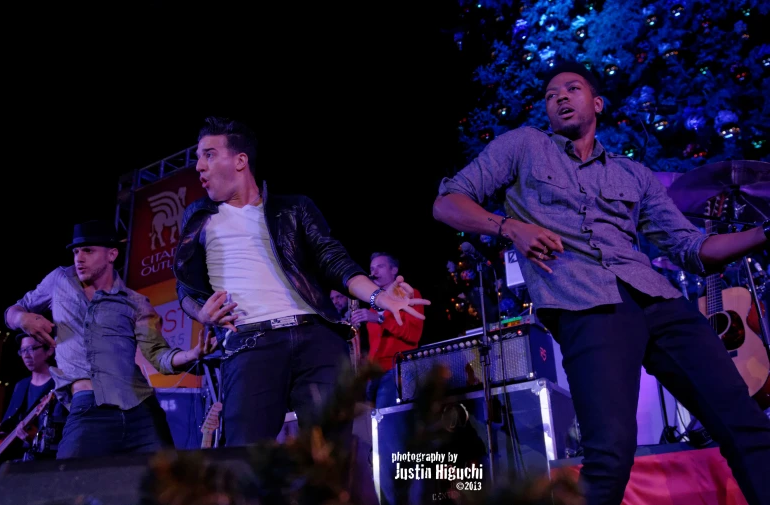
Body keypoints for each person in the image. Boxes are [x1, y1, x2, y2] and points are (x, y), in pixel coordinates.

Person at [432, 61, 770, 505]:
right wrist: (511, 227)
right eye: (552, 95)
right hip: (586, 302)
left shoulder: (634, 174)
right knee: (609, 452)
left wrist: (764, 233)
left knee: (746, 424)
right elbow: (447, 202)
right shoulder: (523, 145)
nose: (561, 98)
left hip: (659, 298)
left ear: (597, 102)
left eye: (572, 89)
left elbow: (692, 247)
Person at [173, 116, 429, 448]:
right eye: (197, 157)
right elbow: (185, 288)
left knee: (332, 458)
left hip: (316, 338)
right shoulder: (198, 217)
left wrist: (381, 296)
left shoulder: (293, 207)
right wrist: (202, 314)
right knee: (244, 462)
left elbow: (334, 260)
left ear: (240, 161)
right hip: (251, 343)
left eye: (208, 154)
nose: (198, 167)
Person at [4, 219, 217, 459]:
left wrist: (193, 353)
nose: (79, 258)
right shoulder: (59, 280)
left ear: (111, 254)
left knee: (166, 488)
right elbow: (13, 310)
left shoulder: (135, 302)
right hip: (88, 408)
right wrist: (22, 319)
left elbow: (158, 356)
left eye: (88, 250)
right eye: (75, 252)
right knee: (66, 485)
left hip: (141, 411)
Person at [0, 333, 64, 468]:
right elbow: (12, 431)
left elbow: (61, 437)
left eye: (31, 349)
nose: (25, 355)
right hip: (17, 463)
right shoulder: (21, 386)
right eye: (23, 350)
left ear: (49, 350)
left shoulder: (59, 385)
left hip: (45, 466)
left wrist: (36, 438)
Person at [352, 252, 424, 408]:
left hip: (398, 370)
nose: (374, 272)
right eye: (372, 268)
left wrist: (379, 319)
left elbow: (413, 335)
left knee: (386, 425)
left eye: (380, 266)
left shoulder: (410, 295)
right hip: (374, 374)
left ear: (394, 270)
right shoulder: (373, 304)